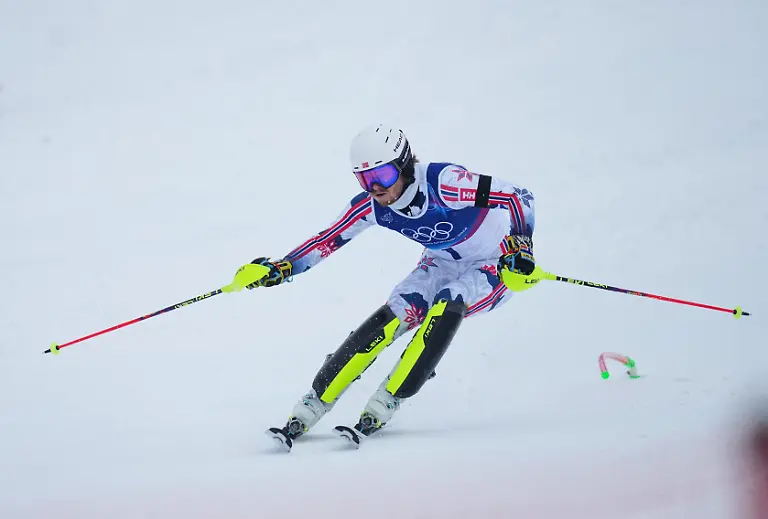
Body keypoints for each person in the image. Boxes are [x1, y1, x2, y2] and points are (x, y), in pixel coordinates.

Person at [246, 124, 537, 449]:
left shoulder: (446, 184)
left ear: (403, 165)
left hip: (496, 264)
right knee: (400, 309)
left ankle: (388, 399)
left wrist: (522, 246)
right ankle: (314, 402)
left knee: (449, 300)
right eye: (364, 180)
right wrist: (284, 267)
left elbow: (517, 196)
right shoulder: (371, 206)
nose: (375, 188)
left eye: (382, 176)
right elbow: (327, 240)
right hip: (441, 261)